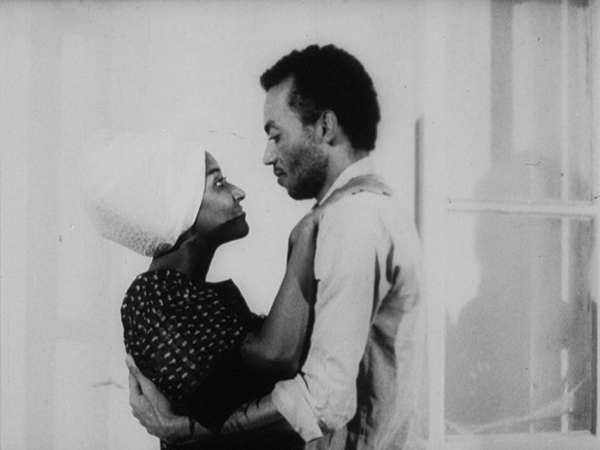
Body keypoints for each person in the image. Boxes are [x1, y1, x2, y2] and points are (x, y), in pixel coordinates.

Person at [128, 44, 428, 450]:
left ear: (325, 127)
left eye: (275, 135)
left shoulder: (351, 220)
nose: (267, 156)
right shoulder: (360, 212)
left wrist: (184, 429)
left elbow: (323, 400)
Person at [82, 130, 324, 449]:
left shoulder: (192, 296)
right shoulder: (152, 296)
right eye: (219, 183)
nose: (238, 192)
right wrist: (305, 237)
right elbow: (276, 357)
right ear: (178, 209)